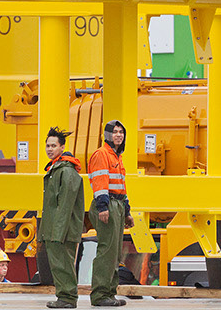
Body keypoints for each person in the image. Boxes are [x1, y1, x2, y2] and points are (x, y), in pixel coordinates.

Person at [40, 125, 87, 309]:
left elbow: (65, 205)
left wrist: (57, 233)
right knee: (59, 264)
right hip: (56, 228)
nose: (50, 149)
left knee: (63, 264)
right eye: (48, 146)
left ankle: (67, 298)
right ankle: (64, 297)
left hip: (62, 230)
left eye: (53, 146)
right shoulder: (56, 170)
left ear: (62, 147)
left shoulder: (66, 172)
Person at [87, 120, 132, 308]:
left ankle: (109, 294)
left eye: (121, 132)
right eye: (115, 132)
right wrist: (103, 207)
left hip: (117, 205)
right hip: (108, 205)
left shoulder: (117, 157)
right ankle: (100, 295)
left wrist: (127, 211)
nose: (119, 135)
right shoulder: (102, 154)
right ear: (107, 135)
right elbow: (100, 183)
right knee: (107, 251)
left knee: (114, 253)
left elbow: (121, 187)